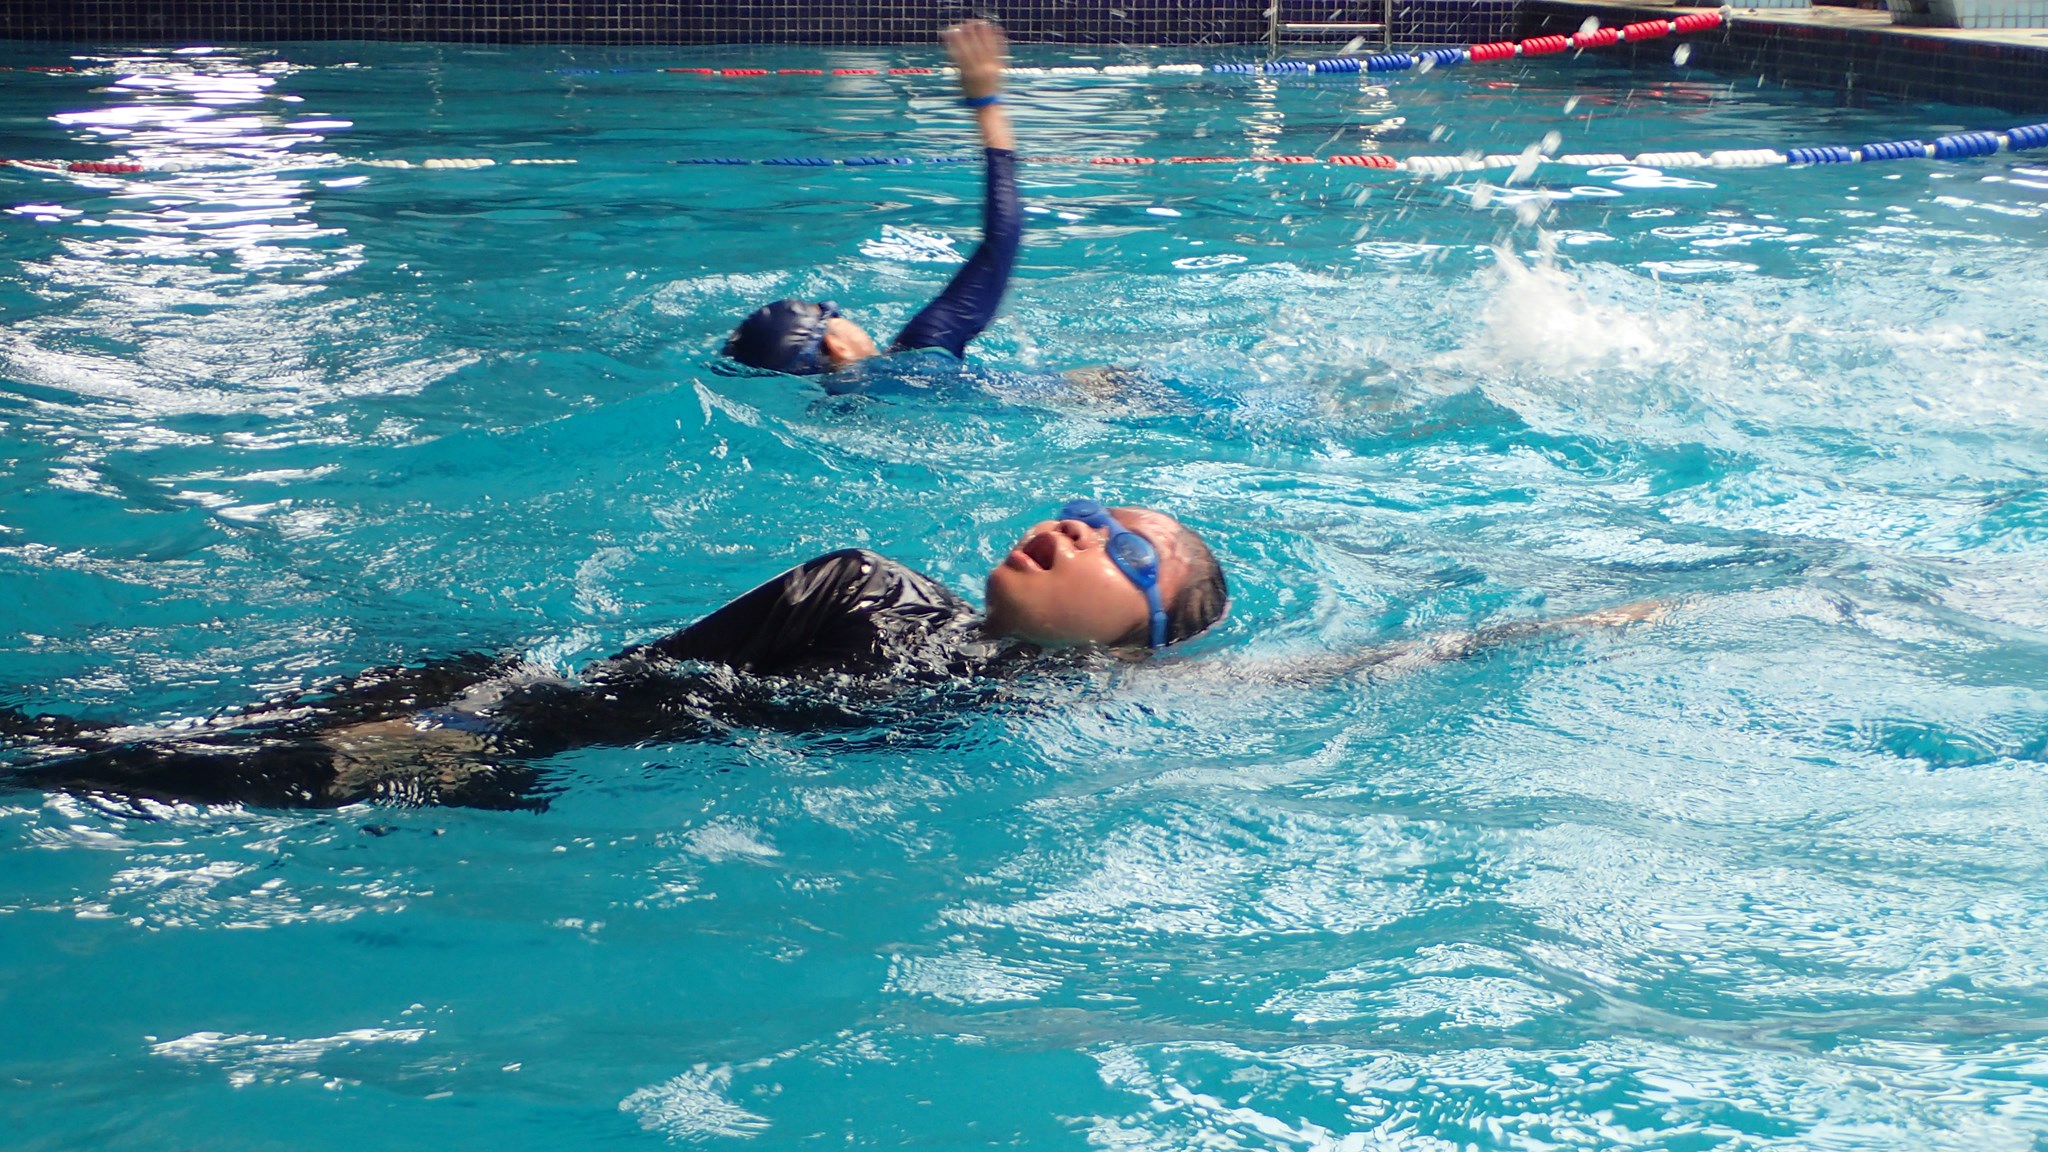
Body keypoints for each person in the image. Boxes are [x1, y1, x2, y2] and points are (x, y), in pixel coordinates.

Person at [2, 498, 1664, 812]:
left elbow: (1344, 678)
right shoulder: (882, 591)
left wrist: (1563, 626)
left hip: (530, 740)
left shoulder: (1067, 696)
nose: (1078, 533)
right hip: (531, 695)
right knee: (127, 739)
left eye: (1123, 554)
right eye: (1082, 513)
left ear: (1143, 641)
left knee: (97, 764)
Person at [722, 21, 1020, 377]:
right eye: (835, 315)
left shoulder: (832, 416)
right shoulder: (924, 349)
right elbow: (1000, 241)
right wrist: (985, 101)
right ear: (837, 346)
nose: (846, 315)